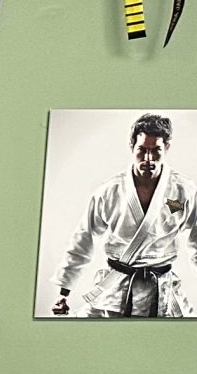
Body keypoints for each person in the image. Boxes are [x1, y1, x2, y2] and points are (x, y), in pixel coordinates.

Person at [53, 114, 190, 318]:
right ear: (132, 147)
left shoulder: (184, 191)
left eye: (156, 151)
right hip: (116, 290)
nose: (148, 159)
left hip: (163, 291)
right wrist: (63, 292)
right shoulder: (109, 192)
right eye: (142, 150)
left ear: (167, 148)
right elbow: (84, 239)